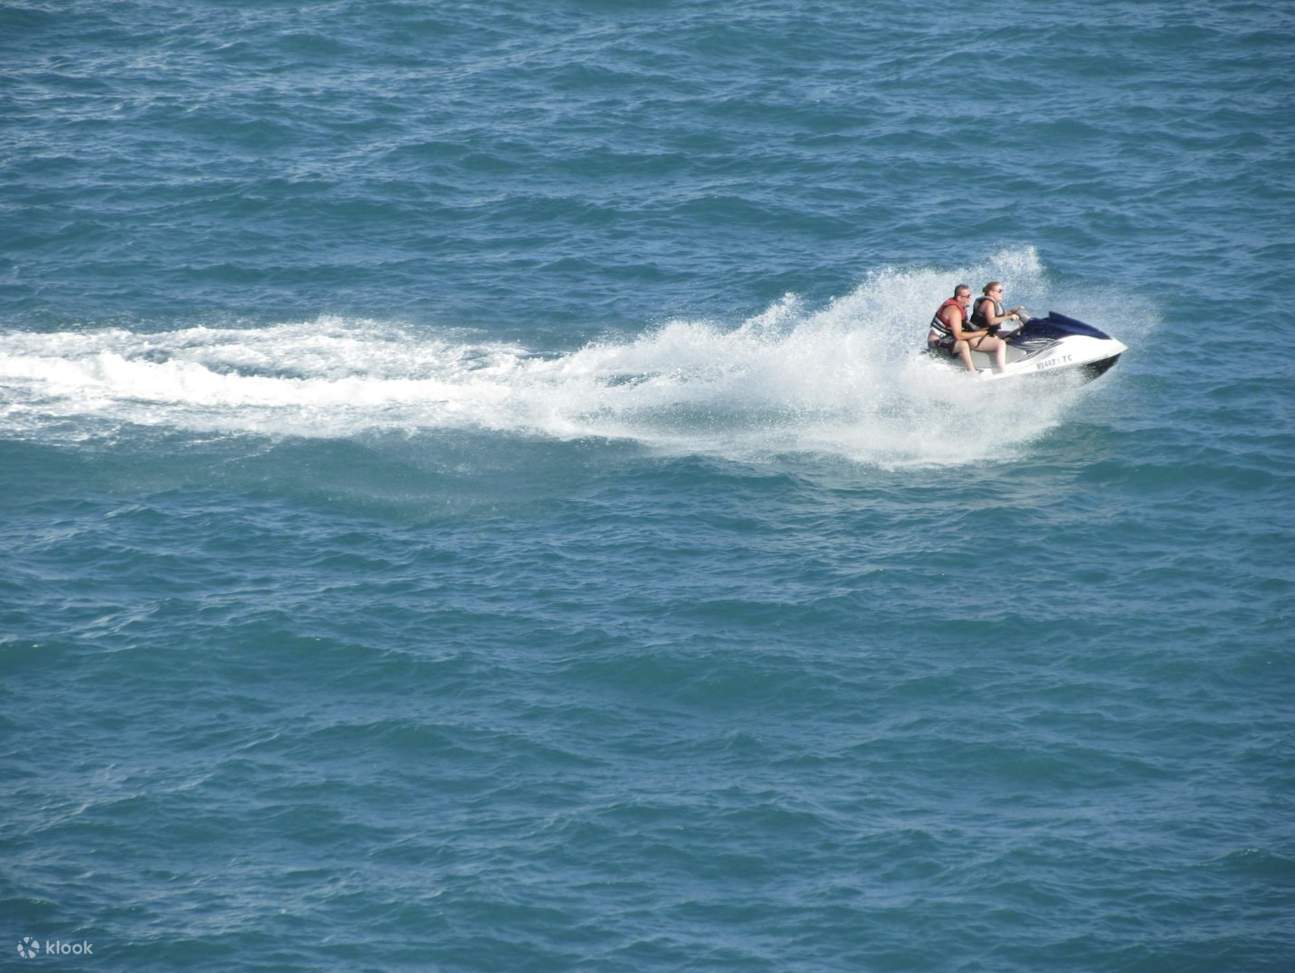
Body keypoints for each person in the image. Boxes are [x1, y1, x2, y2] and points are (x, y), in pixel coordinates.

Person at [927, 283, 1007, 373]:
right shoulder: (954, 311)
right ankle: (972, 372)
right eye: (967, 296)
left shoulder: (960, 306)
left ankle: (965, 365)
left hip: (947, 337)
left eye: (970, 295)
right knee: (963, 344)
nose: (970, 298)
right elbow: (959, 336)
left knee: (972, 337)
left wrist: (982, 330)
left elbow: (964, 326)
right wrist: (980, 333)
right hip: (936, 343)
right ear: (959, 298)